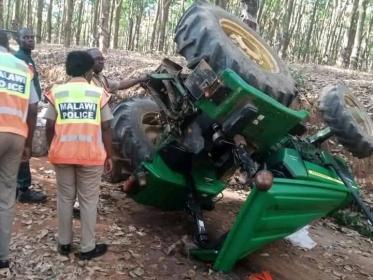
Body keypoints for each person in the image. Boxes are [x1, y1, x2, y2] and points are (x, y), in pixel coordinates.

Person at [44, 51, 113, 260]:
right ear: (88, 70)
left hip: (63, 154)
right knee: (88, 201)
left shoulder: (58, 92)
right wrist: (109, 155)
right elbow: (107, 125)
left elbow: (49, 124)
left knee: (65, 199)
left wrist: (52, 146)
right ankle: (87, 247)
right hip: (91, 156)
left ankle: (64, 244)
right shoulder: (97, 93)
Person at [0, 31, 38, 270]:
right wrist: (28, 143)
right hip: (16, 135)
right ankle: (2, 255)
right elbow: (33, 109)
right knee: (6, 195)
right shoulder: (23, 67)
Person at [14, 27, 47, 203]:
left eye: (32, 37)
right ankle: (23, 188)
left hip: (26, 107)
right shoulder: (20, 59)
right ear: (18, 40)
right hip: (24, 110)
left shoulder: (27, 58)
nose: (30, 40)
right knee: (23, 147)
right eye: (26, 37)